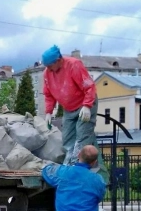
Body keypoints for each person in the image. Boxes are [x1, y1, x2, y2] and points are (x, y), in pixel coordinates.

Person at [41, 45, 109, 183]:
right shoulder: (47, 73)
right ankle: (99, 173)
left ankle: (73, 170)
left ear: (58, 60)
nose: (48, 68)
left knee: (81, 138)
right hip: (69, 108)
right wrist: (48, 112)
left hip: (85, 104)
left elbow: (89, 86)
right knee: (68, 139)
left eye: (50, 65)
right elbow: (48, 94)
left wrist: (87, 106)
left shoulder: (74, 65)